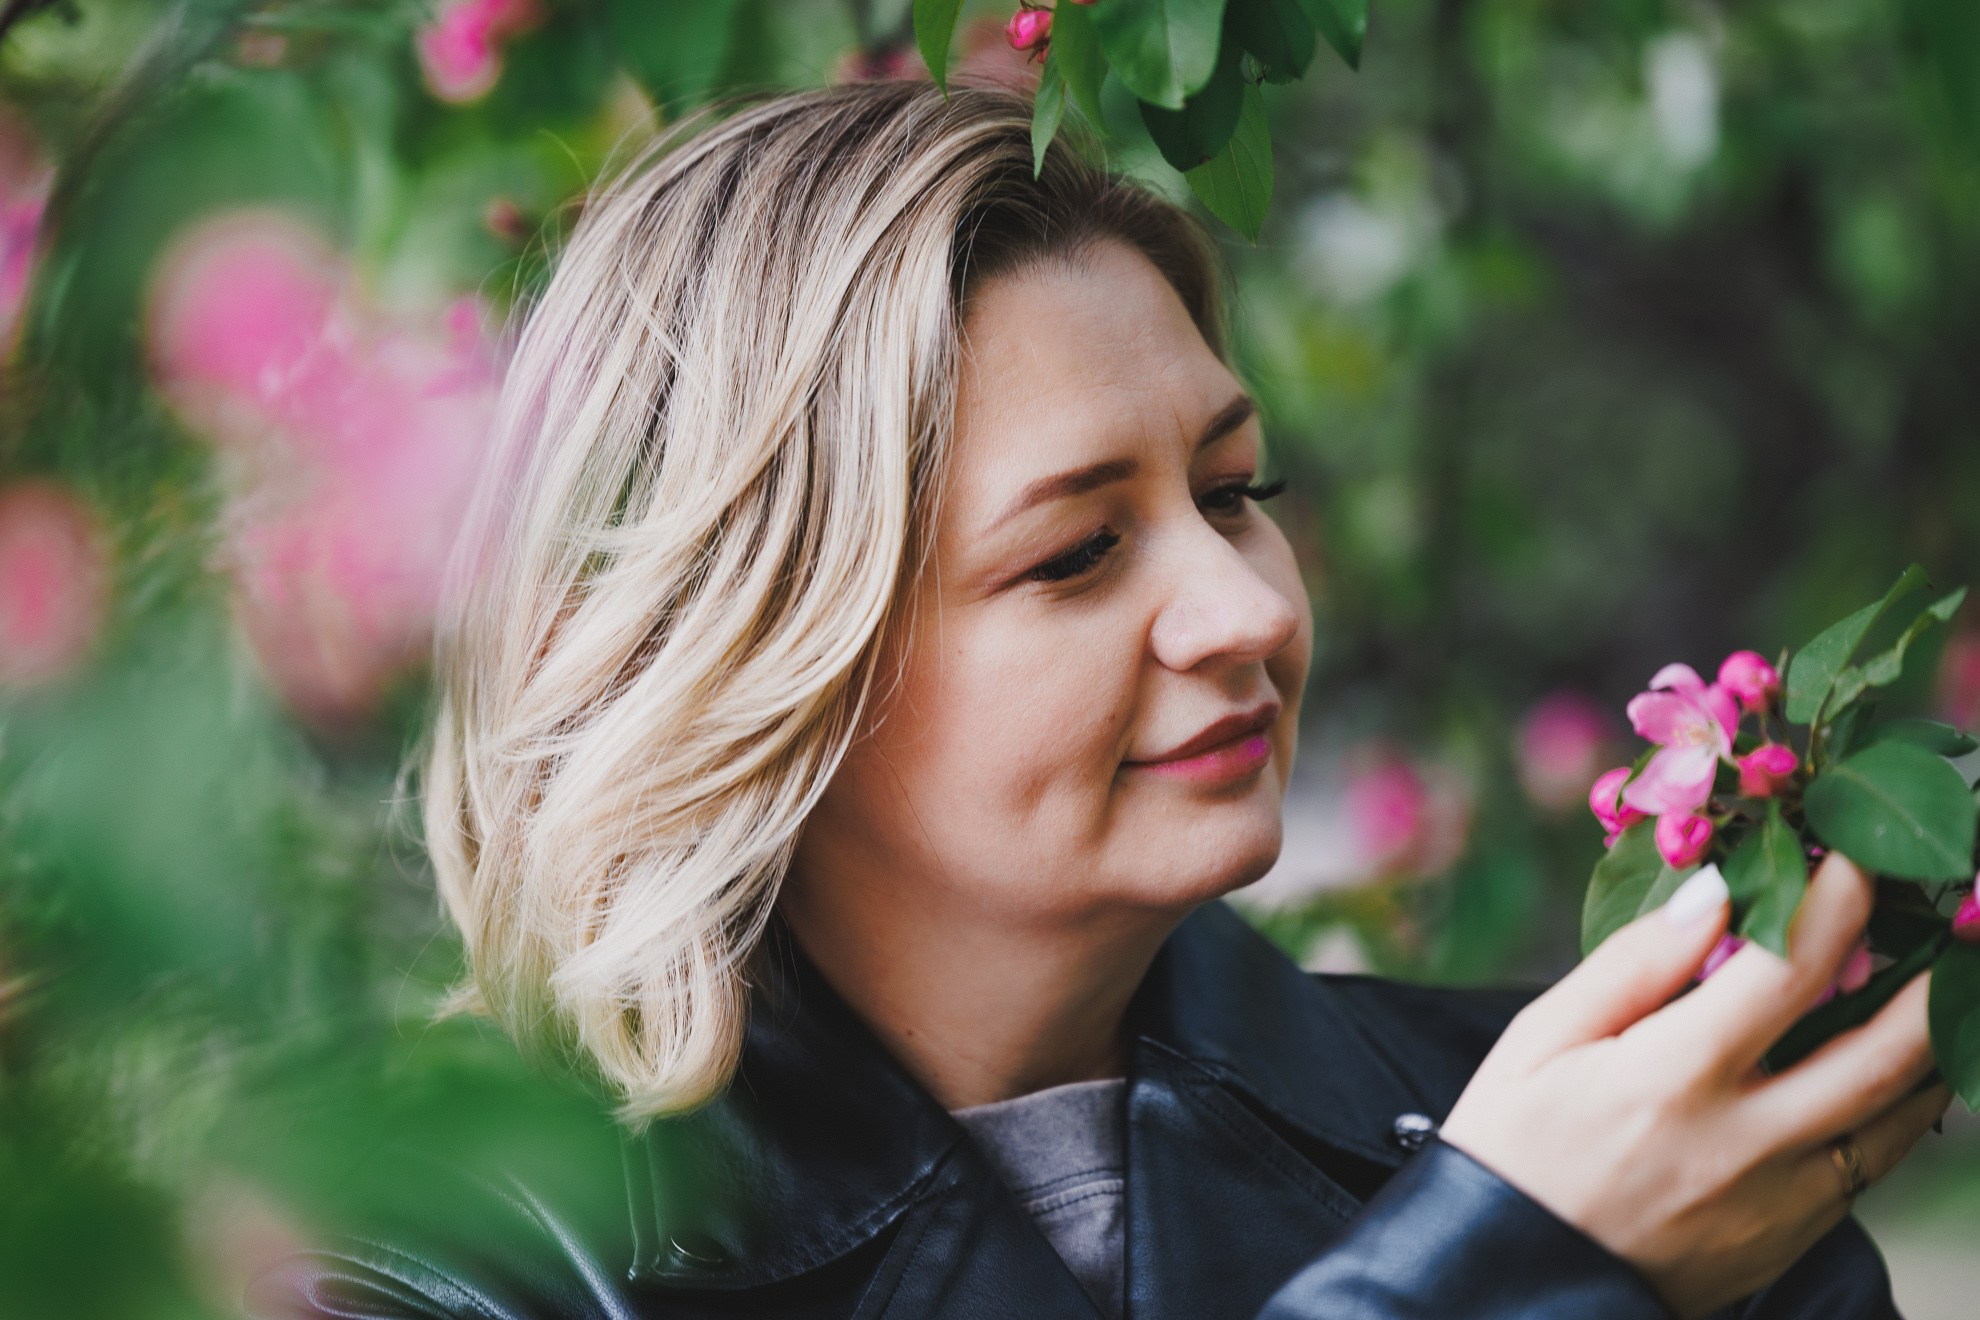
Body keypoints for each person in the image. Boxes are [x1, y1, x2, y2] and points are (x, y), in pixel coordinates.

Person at [248, 80, 1950, 1320]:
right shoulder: (451, 1263)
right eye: (1074, 554)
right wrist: (1504, 1273)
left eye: (1235, 489)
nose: (1240, 608)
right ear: (753, 656)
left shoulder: (1617, 1124)